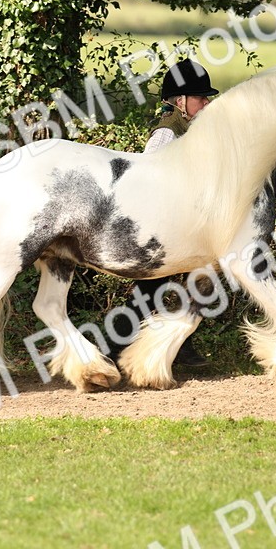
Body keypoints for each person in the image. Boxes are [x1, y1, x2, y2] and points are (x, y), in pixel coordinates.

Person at [107, 58, 217, 369]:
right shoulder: (168, 131)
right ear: (181, 101)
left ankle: (174, 345)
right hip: (160, 225)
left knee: (181, 285)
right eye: (201, 97)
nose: (207, 103)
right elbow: (148, 175)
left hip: (181, 223)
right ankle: (118, 349)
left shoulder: (191, 127)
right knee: (153, 288)